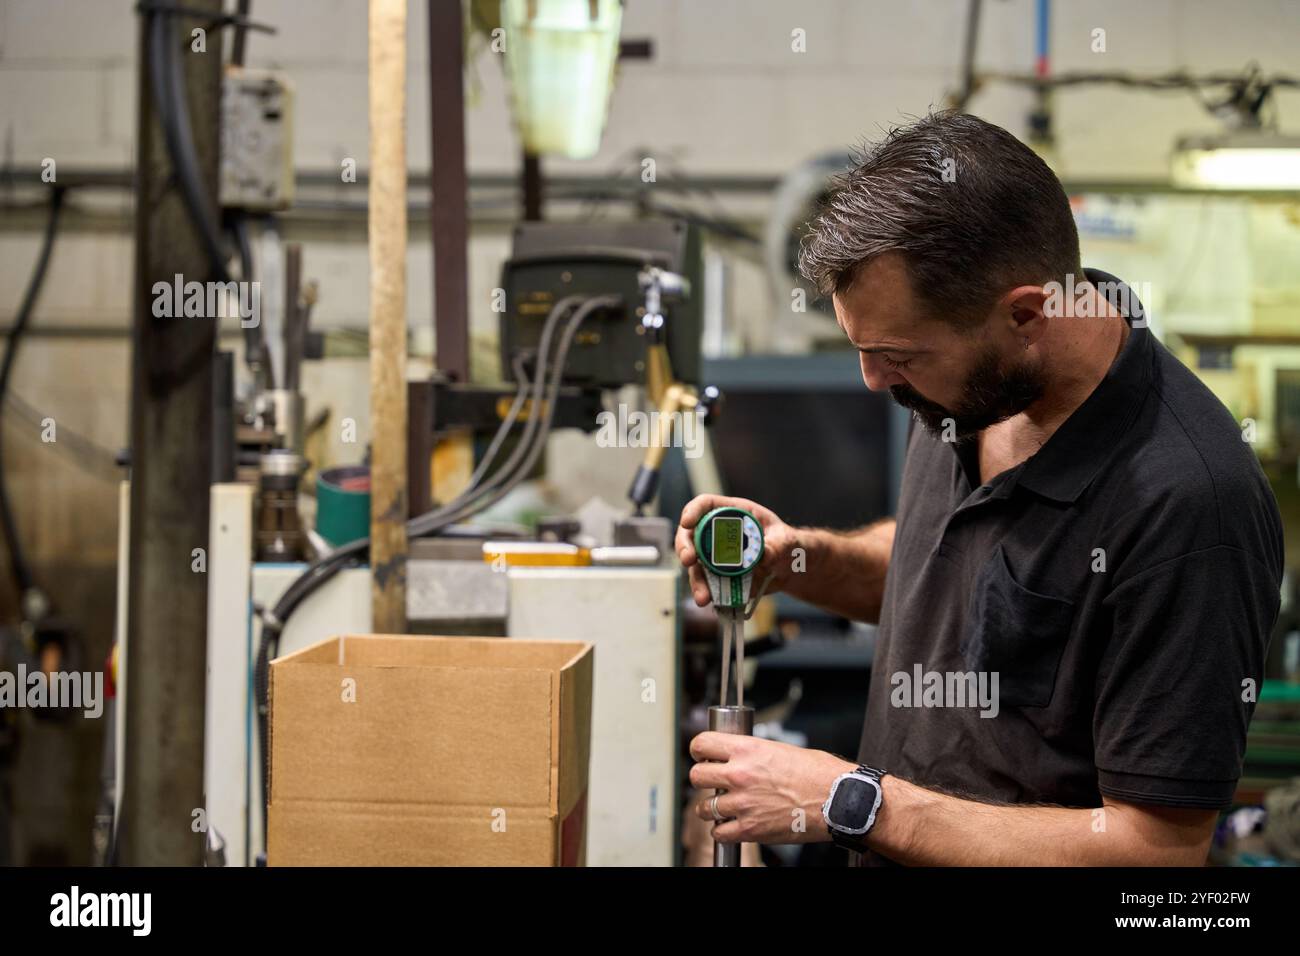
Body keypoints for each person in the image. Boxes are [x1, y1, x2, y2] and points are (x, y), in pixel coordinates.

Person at [677, 110, 1284, 866]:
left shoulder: (1189, 502)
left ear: (1026, 314)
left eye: (895, 354)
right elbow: (953, 571)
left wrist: (852, 802)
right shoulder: (962, 392)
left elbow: (1157, 851)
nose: (874, 380)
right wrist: (802, 558)